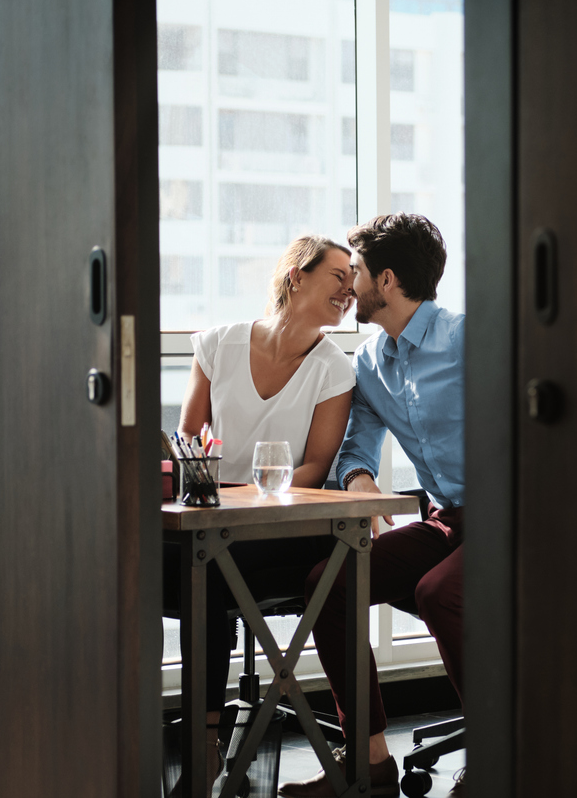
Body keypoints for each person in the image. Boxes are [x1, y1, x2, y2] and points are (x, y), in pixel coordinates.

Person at [163, 234, 358, 794]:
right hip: (211, 518)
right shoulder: (219, 344)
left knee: (207, 565)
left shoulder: (333, 370)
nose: (350, 290)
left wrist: (239, 495)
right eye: (338, 277)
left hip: (287, 528)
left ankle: (204, 736)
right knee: (151, 558)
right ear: (297, 274)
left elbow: (316, 469)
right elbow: (189, 443)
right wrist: (213, 490)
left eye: (354, 280)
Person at [279, 213, 464, 798]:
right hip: (448, 520)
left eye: (352, 271)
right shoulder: (370, 363)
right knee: (329, 582)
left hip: (517, 518)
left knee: (440, 592)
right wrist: (358, 475)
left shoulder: (467, 339)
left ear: (385, 280)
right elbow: (358, 444)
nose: (345, 286)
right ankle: (369, 763)